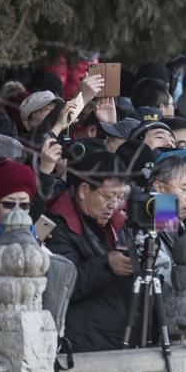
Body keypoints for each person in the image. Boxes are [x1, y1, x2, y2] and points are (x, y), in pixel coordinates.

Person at [44, 151, 134, 353]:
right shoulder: (56, 226)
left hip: (117, 337)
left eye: (119, 197)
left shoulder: (118, 225)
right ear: (84, 190)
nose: (113, 205)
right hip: (81, 344)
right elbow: (63, 286)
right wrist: (107, 265)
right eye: (109, 197)